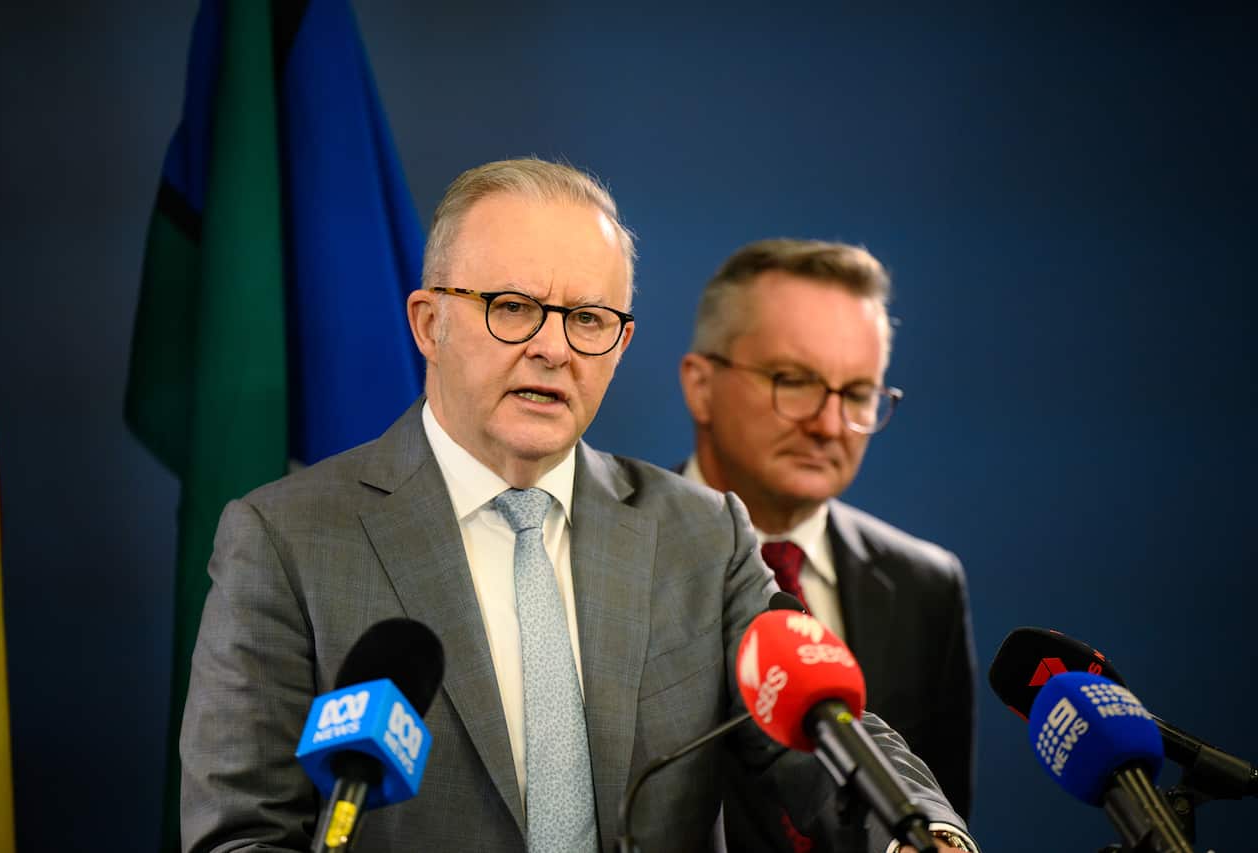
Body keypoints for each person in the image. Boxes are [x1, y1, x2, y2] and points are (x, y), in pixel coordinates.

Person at [179, 160, 977, 852]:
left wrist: (923, 829)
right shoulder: (287, 538)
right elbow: (242, 831)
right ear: (430, 322)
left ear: (620, 345)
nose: (554, 347)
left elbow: (823, 732)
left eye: (589, 319)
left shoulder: (704, 535)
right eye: (514, 306)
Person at [678, 240, 977, 848]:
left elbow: (939, 808)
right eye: (795, 381)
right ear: (701, 385)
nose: (829, 424)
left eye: (859, 394)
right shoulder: (617, 556)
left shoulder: (926, 585)